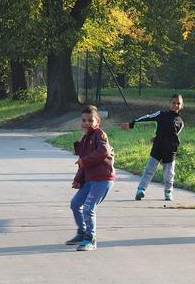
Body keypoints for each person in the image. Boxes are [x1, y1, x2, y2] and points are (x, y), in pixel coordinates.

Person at [66, 105, 115, 251]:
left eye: (90, 120)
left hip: (103, 178)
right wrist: (78, 179)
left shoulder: (100, 135)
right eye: (84, 120)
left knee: (88, 207)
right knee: (75, 203)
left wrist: (85, 161)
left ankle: (90, 239)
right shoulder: (85, 138)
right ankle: (82, 232)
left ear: (97, 122)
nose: (86, 123)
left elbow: (104, 151)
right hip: (90, 179)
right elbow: (83, 161)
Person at [121, 94, 184, 202]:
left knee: (169, 173)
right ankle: (141, 190)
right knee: (149, 169)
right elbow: (147, 117)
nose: (175, 105)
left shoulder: (180, 122)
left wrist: (159, 137)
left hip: (170, 150)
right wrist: (132, 124)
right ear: (169, 103)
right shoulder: (161, 114)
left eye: (178, 103)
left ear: (181, 106)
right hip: (158, 147)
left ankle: (168, 192)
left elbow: (173, 135)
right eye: (173, 102)